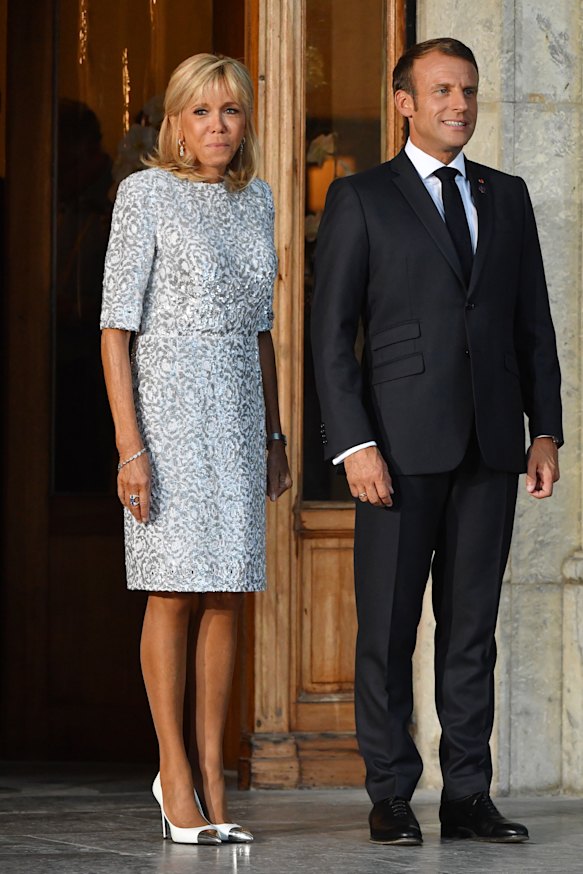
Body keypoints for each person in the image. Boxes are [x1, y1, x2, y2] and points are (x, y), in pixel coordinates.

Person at [311, 37, 562, 846]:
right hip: (392, 451)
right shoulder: (361, 198)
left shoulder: (508, 195)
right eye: (442, 90)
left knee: (469, 632)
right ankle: (389, 793)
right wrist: (354, 446)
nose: (459, 103)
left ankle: (465, 796)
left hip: (491, 448)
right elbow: (330, 337)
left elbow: (534, 327)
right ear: (405, 102)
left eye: (469, 90)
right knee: (385, 631)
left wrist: (544, 428)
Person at [100, 53, 291, 846]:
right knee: (173, 591)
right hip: (168, 416)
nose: (217, 125)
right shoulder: (143, 195)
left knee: (227, 593)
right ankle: (172, 769)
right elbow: (116, 330)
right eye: (202, 111)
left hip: (240, 417)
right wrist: (129, 447)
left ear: (245, 122)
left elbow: (261, 333)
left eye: (231, 112)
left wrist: (276, 435)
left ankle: (216, 775)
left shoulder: (258, 200)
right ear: (175, 121)